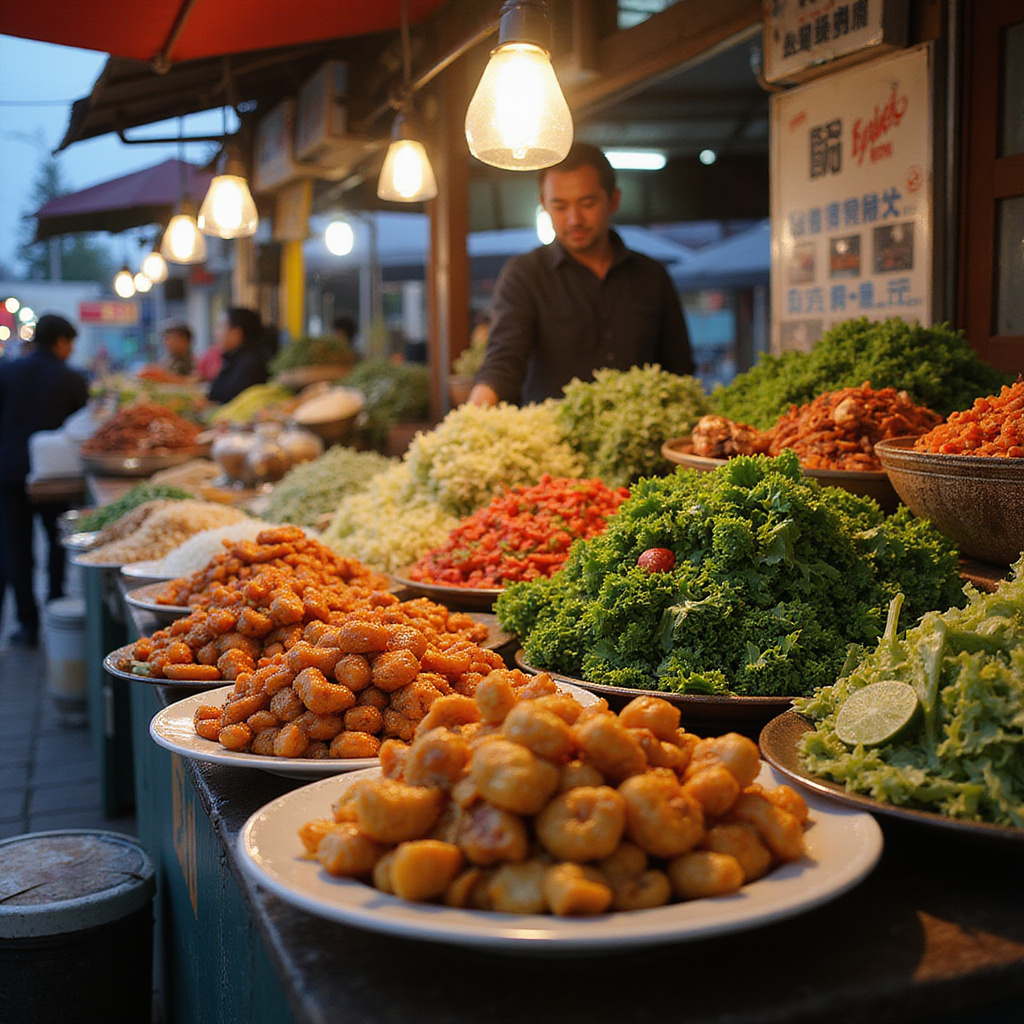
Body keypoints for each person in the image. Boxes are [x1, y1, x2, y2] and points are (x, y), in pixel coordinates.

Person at [469, 142, 694, 407]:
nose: (574, 219)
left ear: (614, 200)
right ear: (544, 204)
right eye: (560, 206)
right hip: (553, 441)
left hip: (641, 438)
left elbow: (680, 370)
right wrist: (476, 413)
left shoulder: (652, 276)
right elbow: (503, 362)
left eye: (587, 203)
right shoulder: (525, 275)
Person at [0, 314, 89, 648]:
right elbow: (80, 430)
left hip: (10, 473)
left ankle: (27, 625)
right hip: (55, 477)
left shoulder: (6, 371)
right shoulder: (72, 379)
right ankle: (56, 605)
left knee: (16, 550)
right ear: (61, 342)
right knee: (56, 544)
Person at [207, 307, 270, 405]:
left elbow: (227, 400)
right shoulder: (234, 358)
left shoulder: (251, 364)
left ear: (236, 333)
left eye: (221, 326)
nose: (216, 333)